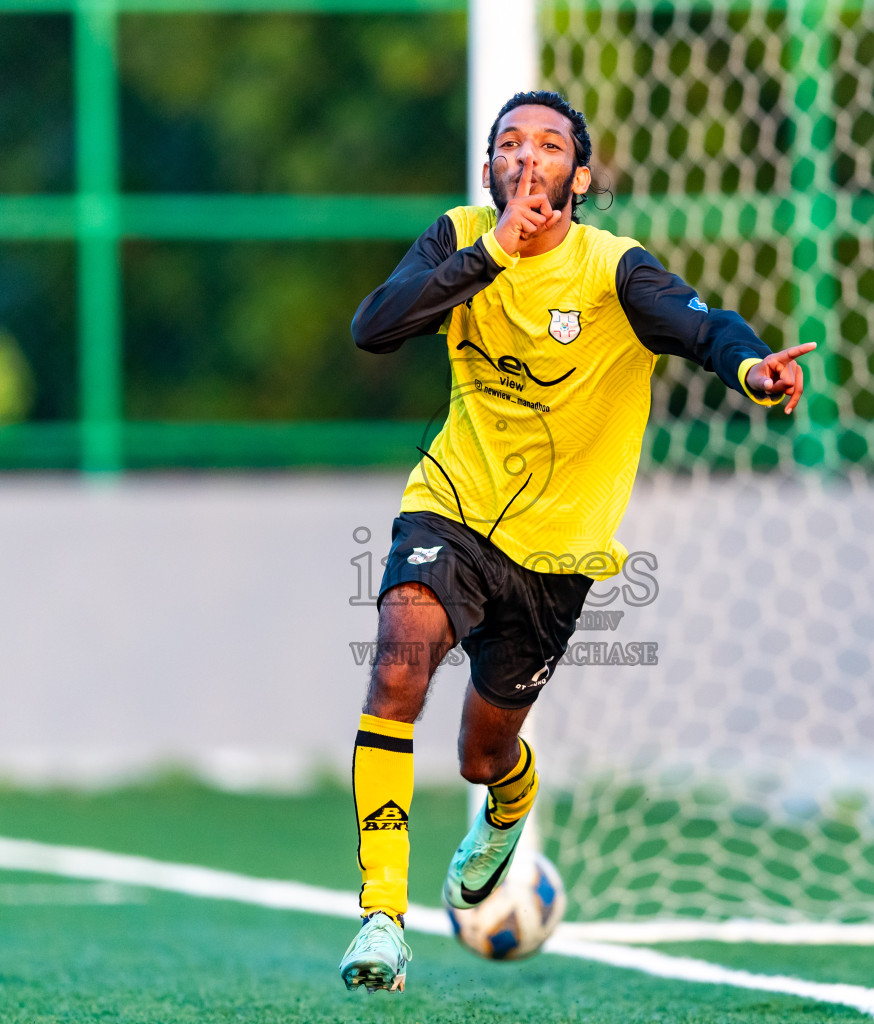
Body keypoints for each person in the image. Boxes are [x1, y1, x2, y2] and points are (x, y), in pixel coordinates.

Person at [338, 90, 815, 992]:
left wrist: (752, 370)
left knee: (481, 754)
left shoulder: (614, 272)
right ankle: (381, 919)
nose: (528, 154)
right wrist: (488, 256)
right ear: (491, 172)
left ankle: (509, 803)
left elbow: (708, 328)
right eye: (509, 142)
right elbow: (375, 327)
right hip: (454, 503)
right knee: (398, 663)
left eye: (550, 144)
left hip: (556, 557)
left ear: (579, 177)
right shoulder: (458, 239)